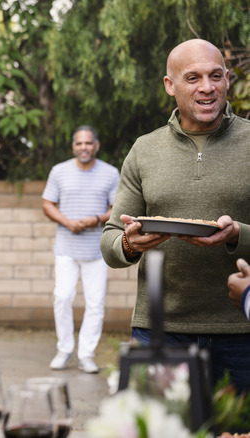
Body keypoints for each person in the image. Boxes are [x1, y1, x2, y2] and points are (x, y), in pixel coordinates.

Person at [100, 39, 250, 393]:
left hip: (243, 331)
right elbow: (109, 242)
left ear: (227, 79)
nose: (207, 87)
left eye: (216, 76)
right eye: (193, 77)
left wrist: (237, 235)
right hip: (160, 330)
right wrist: (129, 243)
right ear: (170, 85)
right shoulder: (145, 149)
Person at [42, 126, 119, 374]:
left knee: (95, 303)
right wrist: (67, 222)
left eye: (88, 143)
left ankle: (86, 354)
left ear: (96, 145)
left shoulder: (110, 173)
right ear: (73, 146)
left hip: (97, 249)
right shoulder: (59, 171)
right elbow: (47, 203)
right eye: (79, 143)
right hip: (66, 247)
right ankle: (64, 350)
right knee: (62, 297)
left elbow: (116, 207)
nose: (83, 147)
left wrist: (95, 219)